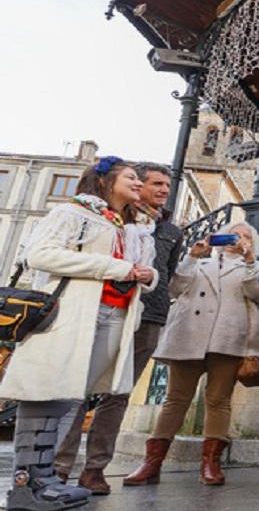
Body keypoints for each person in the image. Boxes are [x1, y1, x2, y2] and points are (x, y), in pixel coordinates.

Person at [0, 157, 157, 510]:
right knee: (45, 393)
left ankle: (47, 478)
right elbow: (39, 255)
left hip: (113, 314)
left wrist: (146, 276)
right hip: (69, 314)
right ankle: (27, 484)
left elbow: (140, 272)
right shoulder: (72, 213)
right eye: (131, 177)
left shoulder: (128, 226)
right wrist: (118, 267)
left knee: (72, 396)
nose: (139, 183)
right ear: (104, 181)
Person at [54, 162, 183, 495]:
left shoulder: (171, 230)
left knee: (119, 394)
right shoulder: (112, 217)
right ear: (138, 184)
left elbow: (165, 273)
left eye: (167, 186)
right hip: (102, 309)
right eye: (156, 183)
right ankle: (59, 468)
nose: (163, 190)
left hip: (148, 316)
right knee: (77, 390)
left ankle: (95, 469)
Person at [123, 222, 259, 486]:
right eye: (233, 233)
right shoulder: (199, 263)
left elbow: (257, 293)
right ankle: (151, 463)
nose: (237, 238)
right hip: (189, 334)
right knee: (175, 399)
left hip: (229, 337)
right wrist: (192, 255)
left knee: (218, 400)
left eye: (245, 236)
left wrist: (248, 259)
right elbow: (173, 289)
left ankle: (210, 463)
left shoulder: (256, 267)